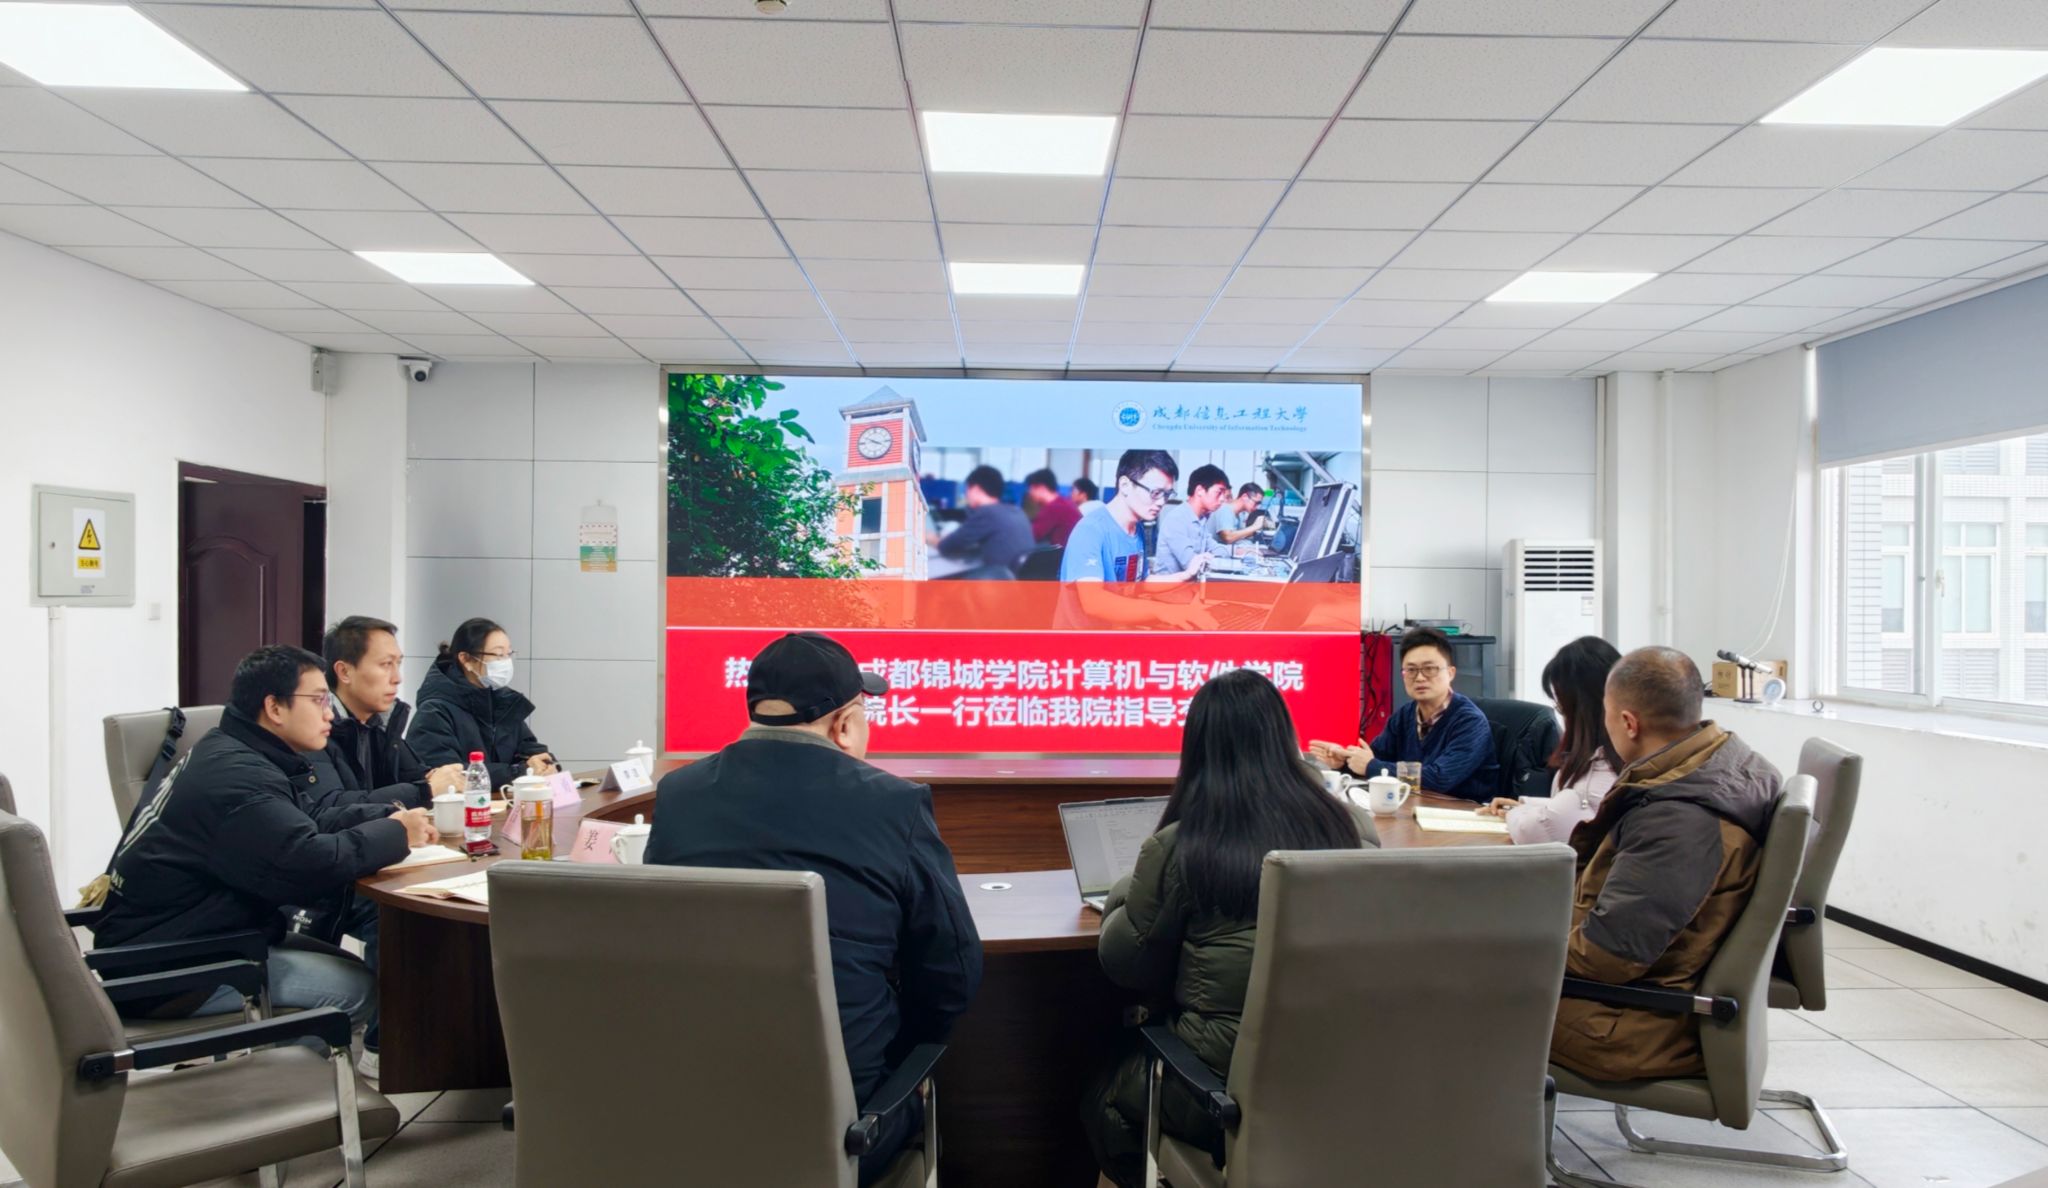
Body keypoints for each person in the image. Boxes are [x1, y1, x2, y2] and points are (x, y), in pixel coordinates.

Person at [644, 632, 982, 1186]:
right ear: (845, 725)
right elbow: (953, 972)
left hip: (694, 1114)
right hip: (845, 1130)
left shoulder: (679, 794)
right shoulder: (894, 803)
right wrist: (905, 1048)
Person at [1082, 670, 1378, 1187]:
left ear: (1198, 749)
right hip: (1344, 1076)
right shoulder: (1351, 828)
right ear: (1284, 740)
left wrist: (1128, 883)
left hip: (1223, 1088)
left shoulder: (1182, 844)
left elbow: (1125, 963)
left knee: (1104, 1103)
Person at [92, 645, 435, 1054]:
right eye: (318, 700)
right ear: (274, 708)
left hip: (185, 939)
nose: (329, 713)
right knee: (357, 990)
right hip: (170, 971)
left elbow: (305, 819)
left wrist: (388, 817)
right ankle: (276, 1086)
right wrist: (395, 836)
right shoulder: (238, 778)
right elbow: (309, 864)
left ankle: (281, 1071)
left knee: (351, 967)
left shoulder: (232, 751)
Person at [1551, 647, 1782, 1082]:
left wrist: (1513, 946)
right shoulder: (1721, 765)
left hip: (1636, 1023)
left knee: (1445, 982)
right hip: (1646, 991)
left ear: (1628, 723)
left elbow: (1607, 957)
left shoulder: (1679, 820)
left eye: (1606, 713)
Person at [1309, 627, 1498, 802]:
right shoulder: (1405, 715)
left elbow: (1440, 778)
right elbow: (1375, 758)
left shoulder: (1470, 722)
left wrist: (1370, 765)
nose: (1420, 677)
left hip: (1464, 816)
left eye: (1429, 669)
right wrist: (1344, 762)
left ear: (1451, 673)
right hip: (1414, 808)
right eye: (1411, 670)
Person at [1478, 636, 1622, 844]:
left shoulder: (1600, 769)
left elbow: (1537, 830)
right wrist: (1527, 806)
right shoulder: (1609, 756)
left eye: (1561, 706)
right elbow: (1578, 809)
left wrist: (1515, 814)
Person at [310, 615, 462, 812]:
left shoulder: (381, 724)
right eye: (386, 664)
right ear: (344, 672)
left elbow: (417, 776)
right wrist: (426, 790)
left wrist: (441, 778)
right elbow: (331, 807)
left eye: (398, 663)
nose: (397, 678)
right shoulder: (314, 728)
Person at [1055, 449, 1215, 629]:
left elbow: (1141, 583)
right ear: (1125, 485)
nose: (1162, 502)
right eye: (1155, 493)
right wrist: (1163, 611)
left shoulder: (1136, 528)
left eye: (1167, 494)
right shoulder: (1091, 530)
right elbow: (1094, 602)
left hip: (1117, 632)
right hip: (1081, 642)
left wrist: (1186, 574)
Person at [408, 617, 555, 788]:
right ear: (466, 659)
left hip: (502, 800)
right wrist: (518, 772)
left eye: (508, 654)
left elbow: (529, 749)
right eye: (498, 655)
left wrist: (545, 764)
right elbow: (448, 775)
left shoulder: (501, 701)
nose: (505, 662)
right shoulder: (434, 712)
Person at [926, 464, 1034, 579]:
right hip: (1023, 580)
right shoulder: (1016, 511)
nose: (966, 495)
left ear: (976, 489)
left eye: (967, 490)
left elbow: (946, 546)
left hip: (1001, 582)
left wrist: (928, 536)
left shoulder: (987, 513)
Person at [1153, 464, 1233, 575]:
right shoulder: (1177, 519)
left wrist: (1238, 551)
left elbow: (1215, 548)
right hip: (1172, 585)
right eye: (1219, 493)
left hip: (1192, 583)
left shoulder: (1201, 519)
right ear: (1199, 490)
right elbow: (1191, 563)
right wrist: (1208, 557)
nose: (1222, 499)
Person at [1024, 467, 1082, 547]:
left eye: (1031, 489)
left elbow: (1030, 536)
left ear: (1041, 488)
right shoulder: (1066, 502)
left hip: (1062, 553)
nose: (1030, 493)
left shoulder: (1053, 508)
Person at [1211, 482, 1270, 547]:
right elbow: (1228, 538)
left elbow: (1238, 535)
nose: (1257, 507)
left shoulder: (1241, 515)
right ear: (1245, 497)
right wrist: (1255, 526)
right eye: (1256, 503)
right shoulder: (1225, 510)